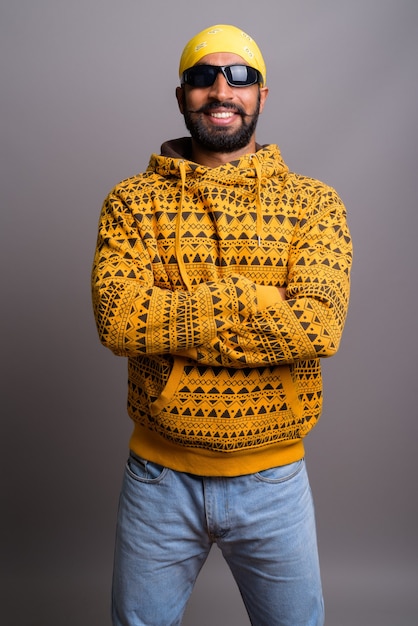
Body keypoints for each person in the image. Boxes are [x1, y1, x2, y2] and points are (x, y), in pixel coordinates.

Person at [92, 24, 352, 626]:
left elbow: (317, 327)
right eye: (202, 77)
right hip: (158, 482)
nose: (221, 90)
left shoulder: (315, 203)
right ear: (181, 96)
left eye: (240, 77)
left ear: (263, 95)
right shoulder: (131, 203)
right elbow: (119, 320)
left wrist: (183, 309)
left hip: (275, 482)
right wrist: (252, 298)